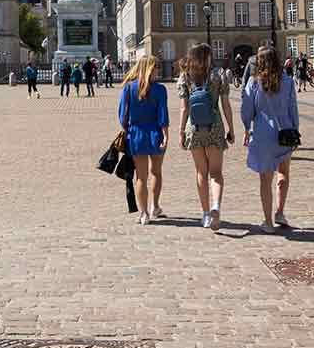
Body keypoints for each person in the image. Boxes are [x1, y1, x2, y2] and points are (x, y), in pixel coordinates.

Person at [177, 43, 235, 231]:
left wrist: (180, 132)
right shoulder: (218, 75)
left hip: (193, 127)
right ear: (208, 57)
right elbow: (226, 105)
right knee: (216, 173)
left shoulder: (186, 76)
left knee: (201, 172)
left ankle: (205, 214)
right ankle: (216, 206)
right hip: (214, 125)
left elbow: (184, 108)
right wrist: (231, 128)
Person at [241, 46, 299, 231]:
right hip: (285, 133)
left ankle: (268, 221)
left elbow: (246, 110)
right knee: (284, 173)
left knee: (265, 179)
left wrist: (246, 127)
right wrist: (295, 130)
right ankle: (280, 212)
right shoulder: (288, 82)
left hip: (263, 135)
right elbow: (293, 110)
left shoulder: (254, 82)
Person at [118, 55, 169, 224]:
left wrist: (127, 129)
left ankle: (144, 213)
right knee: (156, 172)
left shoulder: (129, 88)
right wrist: (166, 134)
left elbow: (122, 116)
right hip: (155, 133)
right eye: (156, 67)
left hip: (136, 134)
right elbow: (163, 115)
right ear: (149, 68)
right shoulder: (160, 89)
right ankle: (155, 206)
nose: (158, 70)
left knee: (141, 176)